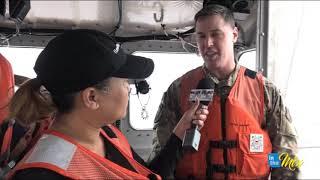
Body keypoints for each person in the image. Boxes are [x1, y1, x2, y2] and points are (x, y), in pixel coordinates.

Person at [7, 29, 209, 179]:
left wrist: (180, 131)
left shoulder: (108, 134)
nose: (129, 88)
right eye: (124, 81)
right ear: (92, 98)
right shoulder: (43, 173)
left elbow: (147, 175)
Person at [151, 4, 299, 180]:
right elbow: (161, 154)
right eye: (201, 36)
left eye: (216, 34)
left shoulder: (265, 91)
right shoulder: (178, 90)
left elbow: (284, 154)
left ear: (234, 35)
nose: (207, 43)